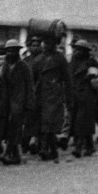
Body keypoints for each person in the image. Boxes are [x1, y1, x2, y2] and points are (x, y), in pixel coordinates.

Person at [31, 34, 71, 162]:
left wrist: (68, 97)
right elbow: (33, 78)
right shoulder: (38, 59)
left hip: (55, 94)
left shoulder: (60, 58)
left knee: (50, 122)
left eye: (48, 43)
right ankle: (51, 149)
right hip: (41, 94)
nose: (45, 46)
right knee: (44, 122)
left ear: (54, 45)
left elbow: (67, 79)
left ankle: (45, 148)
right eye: (44, 43)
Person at [0, 39, 34, 165]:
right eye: (9, 51)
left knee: (15, 128)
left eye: (14, 51)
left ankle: (8, 153)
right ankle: (16, 155)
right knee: (10, 128)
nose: (11, 53)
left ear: (18, 52)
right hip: (7, 102)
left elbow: (30, 86)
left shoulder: (24, 67)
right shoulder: (5, 66)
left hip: (20, 102)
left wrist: (29, 105)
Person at [68, 40, 98, 158]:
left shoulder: (91, 62)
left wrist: (94, 78)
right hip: (75, 94)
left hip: (88, 95)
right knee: (82, 121)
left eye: (80, 49)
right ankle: (90, 146)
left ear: (85, 51)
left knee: (81, 121)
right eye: (76, 49)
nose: (77, 51)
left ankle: (78, 147)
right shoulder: (72, 62)